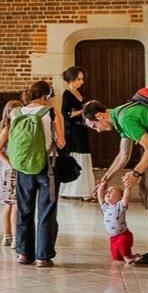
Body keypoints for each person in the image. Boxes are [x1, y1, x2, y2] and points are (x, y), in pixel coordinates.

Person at [85, 95, 148, 265]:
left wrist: (136, 173)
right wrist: (105, 178)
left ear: (100, 116)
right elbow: (123, 155)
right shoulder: (121, 115)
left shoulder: (125, 119)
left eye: (95, 126)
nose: (97, 130)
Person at [0, 81, 58, 266]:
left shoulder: (16, 113)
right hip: (47, 166)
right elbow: (60, 142)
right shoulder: (51, 113)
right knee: (46, 211)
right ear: (46, 96)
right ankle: (43, 257)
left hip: (22, 166)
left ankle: (23, 253)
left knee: (24, 209)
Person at [57, 67, 94, 200]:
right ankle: (72, 190)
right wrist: (83, 110)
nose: (81, 82)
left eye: (82, 79)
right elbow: (66, 113)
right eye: (79, 79)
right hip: (72, 130)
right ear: (71, 80)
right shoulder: (67, 94)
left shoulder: (79, 92)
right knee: (77, 155)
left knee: (84, 155)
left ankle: (84, 190)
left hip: (81, 128)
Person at [0, 98, 18, 245]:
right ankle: (12, 236)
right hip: (9, 169)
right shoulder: (7, 129)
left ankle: (10, 236)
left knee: (13, 203)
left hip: (16, 167)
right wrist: (9, 163)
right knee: (13, 203)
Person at [101, 181, 135, 264]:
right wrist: (101, 187)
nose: (108, 193)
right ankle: (130, 256)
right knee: (116, 257)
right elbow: (100, 198)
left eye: (112, 191)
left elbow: (126, 197)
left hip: (123, 235)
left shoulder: (120, 205)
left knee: (124, 249)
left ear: (120, 197)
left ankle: (128, 256)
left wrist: (128, 187)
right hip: (113, 237)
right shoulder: (106, 207)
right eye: (107, 192)